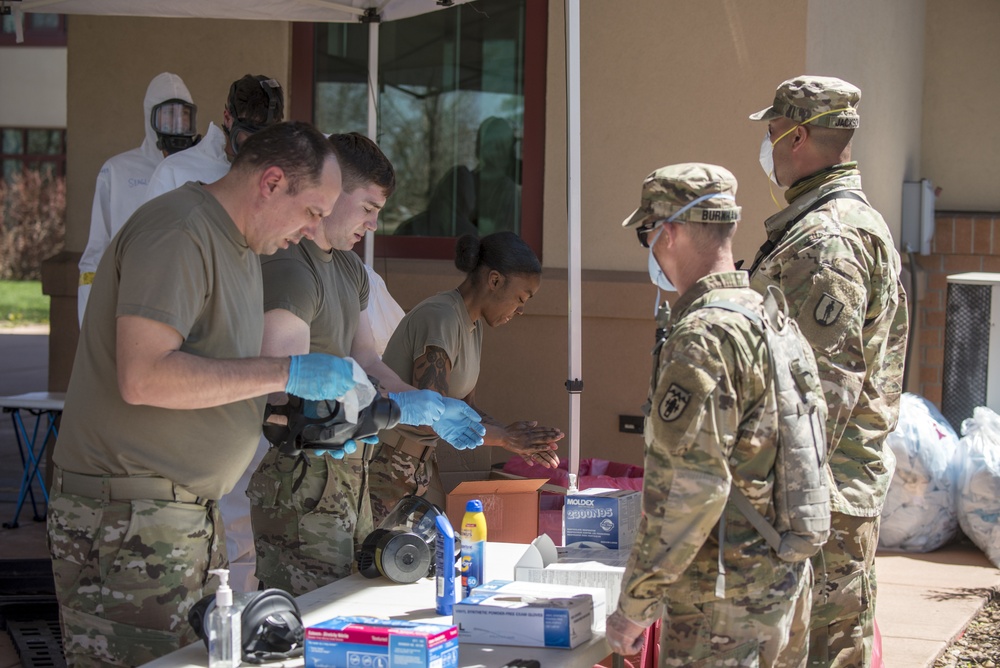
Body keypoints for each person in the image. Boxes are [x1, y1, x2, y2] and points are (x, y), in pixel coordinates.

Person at [46, 121, 359, 668]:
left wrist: (298, 422)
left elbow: (215, 377)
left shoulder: (238, 248)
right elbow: (143, 376)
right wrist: (285, 371)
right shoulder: (181, 230)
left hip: (176, 516)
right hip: (129, 518)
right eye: (312, 211)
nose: (313, 231)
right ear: (271, 182)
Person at [249, 132, 485, 596]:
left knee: (350, 605)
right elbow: (289, 389)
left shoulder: (349, 269)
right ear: (333, 192)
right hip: (303, 478)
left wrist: (427, 403)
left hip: (351, 468)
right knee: (309, 621)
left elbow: (367, 359)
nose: (373, 225)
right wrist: (397, 410)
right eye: (368, 209)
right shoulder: (292, 267)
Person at [606, 163, 814, 666]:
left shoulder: (703, 336)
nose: (650, 249)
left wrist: (637, 603)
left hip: (721, 601)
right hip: (780, 580)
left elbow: (689, 487)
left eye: (646, 235)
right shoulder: (770, 315)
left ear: (668, 232)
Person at [747, 76, 908, 667]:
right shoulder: (830, 222)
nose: (766, 144)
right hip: (828, 496)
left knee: (818, 654)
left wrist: (761, 491)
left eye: (772, 131)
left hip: (817, 503)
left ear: (799, 135)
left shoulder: (827, 239)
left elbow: (820, 393)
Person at [140, 73, 286, 593]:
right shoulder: (179, 172)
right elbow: (148, 263)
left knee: (245, 502)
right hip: (192, 345)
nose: (252, 142)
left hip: (251, 344)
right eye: (246, 130)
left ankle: (240, 618)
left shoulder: (278, 173)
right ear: (226, 119)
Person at [368, 231, 563, 525]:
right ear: (494, 280)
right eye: (521, 298)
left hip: (417, 463)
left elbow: (462, 407)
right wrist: (505, 439)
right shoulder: (442, 317)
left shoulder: (471, 324)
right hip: (388, 462)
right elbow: (430, 415)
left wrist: (514, 435)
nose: (521, 310)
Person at [77, 72, 198, 324]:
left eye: (183, 116)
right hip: (130, 299)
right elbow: (95, 254)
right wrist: (88, 321)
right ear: (150, 116)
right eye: (168, 115)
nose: (177, 124)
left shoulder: (202, 170)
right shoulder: (118, 171)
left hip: (187, 301)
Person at [145, 73, 284, 201]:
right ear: (227, 118)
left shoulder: (280, 178)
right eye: (249, 135)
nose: (257, 147)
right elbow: (152, 227)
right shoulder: (174, 171)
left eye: (267, 138)